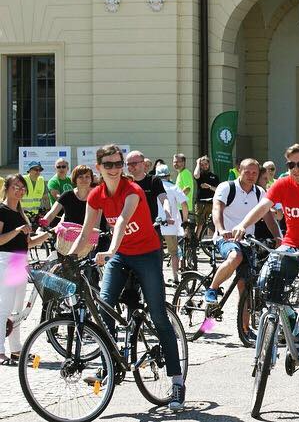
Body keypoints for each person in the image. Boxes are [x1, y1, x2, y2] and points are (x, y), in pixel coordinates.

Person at [72, 145, 186, 409]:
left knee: (158, 315)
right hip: (121, 256)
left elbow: (122, 221)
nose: (114, 169)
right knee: (104, 307)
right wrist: (67, 258)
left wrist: (110, 250)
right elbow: (86, 230)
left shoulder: (133, 189)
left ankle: (177, 381)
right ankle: (109, 365)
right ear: (99, 167)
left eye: (117, 164)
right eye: (108, 165)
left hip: (147, 254)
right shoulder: (96, 195)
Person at [232, 144, 299, 390]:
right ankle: (289, 324)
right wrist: (242, 225)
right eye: (291, 165)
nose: (295, 169)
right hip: (291, 245)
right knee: (267, 280)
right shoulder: (282, 184)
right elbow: (262, 207)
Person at [207, 159, 282, 336]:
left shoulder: (259, 192)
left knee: (245, 286)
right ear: (239, 170)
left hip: (248, 241)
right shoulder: (227, 188)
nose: (251, 176)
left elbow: (269, 217)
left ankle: (245, 329)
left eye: (254, 173)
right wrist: (221, 229)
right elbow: (217, 210)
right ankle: (212, 289)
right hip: (226, 238)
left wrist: (278, 237)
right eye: (247, 172)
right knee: (236, 256)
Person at [0, 174, 50, 366]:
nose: (20, 190)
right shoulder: (2, 210)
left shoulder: (21, 213)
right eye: (16, 187)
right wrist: (17, 231)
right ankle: (0, 351)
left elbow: (27, 243)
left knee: (17, 310)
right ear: (7, 188)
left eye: (22, 188)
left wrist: (47, 235)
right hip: (6, 260)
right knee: (5, 307)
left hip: (19, 260)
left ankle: (16, 350)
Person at [42, 165, 109, 256]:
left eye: (87, 176)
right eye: (80, 177)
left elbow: (97, 222)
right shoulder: (67, 195)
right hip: (67, 240)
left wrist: (94, 237)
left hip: (90, 239)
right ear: (75, 179)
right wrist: (42, 225)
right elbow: (51, 214)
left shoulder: (96, 196)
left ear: (91, 179)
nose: (84, 179)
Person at [154, 165, 189, 284]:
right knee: (174, 253)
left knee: (156, 253)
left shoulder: (153, 187)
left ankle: (158, 279)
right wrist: (185, 220)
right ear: (168, 175)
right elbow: (184, 204)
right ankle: (175, 278)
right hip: (170, 226)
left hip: (155, 225)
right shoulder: (173, 187)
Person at [126, 151, 172, 227]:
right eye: (128, 164)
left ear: (143, 164)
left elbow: (164, 199)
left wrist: (168, 215)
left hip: (151, 226)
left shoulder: (154, 180)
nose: (130, 167)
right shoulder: (125, 182)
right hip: (131, 228)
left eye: (134, 164)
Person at [193, 155, 219, 236]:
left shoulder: (214, 176)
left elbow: (218, 189)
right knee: (199, 223)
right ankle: (196, 240)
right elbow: (196, 175)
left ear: (209, 164)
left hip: (211, 203)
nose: (204, 166)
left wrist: (209, 187)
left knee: (211, 224)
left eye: (206, 164)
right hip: (200, 203)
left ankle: (210, 241)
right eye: (202, 164)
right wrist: (198, 163)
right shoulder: (200, 175)